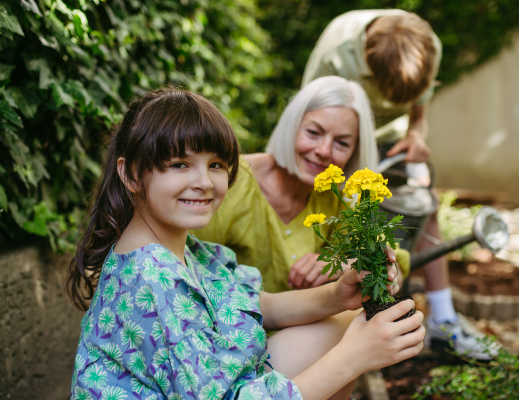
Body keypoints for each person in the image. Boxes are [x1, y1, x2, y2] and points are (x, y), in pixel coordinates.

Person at [66, 87, 425, 399]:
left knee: (341, 324)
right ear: (130, 173)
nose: (204, 181)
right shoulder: (152, 279)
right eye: (179, 164)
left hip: (228, 378)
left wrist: (335, 296)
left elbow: (258, 303)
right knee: (344, 349)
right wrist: (354, 357)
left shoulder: (184, 248)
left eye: (217, 165)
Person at [302, 10, 498, 360]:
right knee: (346, 217)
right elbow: (312, 119)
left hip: (392, 139)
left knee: (425, 203)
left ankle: (444, 320)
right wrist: (340, 164)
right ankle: (348, 324)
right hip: (342, 137)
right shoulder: (336, 53)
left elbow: (418, 115)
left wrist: (415, 135)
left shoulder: (428, 47)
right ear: (366, 63)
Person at [193, 76, 412, 294]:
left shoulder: (338, 199)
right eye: (314, 133)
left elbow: (394, 265)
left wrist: (346, 263)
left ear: (354, 153)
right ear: (291, 127)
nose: (324, 150)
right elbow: (185, 264)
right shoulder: (229, 179)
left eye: (342, 143)